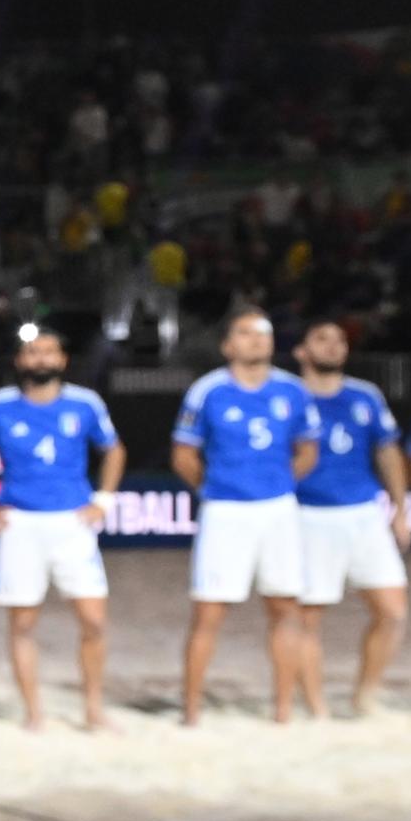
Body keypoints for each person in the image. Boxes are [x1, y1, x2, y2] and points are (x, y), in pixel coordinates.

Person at [0, 329, 122, 733]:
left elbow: (113, 449)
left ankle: (93, 710)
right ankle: (33, 713)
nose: (41, 359)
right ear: (20, 361)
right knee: (22, 623)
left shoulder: (85, 403)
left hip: (72, 522)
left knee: (94, 621)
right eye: (32, 352)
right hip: (21, 524)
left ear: (63, 360)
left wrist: (103, 500)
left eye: (49, 351)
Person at [173, 308, 319, 726]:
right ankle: (192, 709)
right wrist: (216, 488)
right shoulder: (208, 391)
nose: (256, 340)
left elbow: (308, 450)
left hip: (278, 511)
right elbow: (183, 455)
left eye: (263, 334)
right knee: (209, 611)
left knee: (285, 606)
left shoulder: (293, 391)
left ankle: (283, 708)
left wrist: (275, 483)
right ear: (227, 344)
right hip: (225, 511)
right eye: (246, 333)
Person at [288, 320, 410, 720]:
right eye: (321, 339)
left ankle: (365, 696)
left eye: (339, 340)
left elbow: (388, 453)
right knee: (307, 617)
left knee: (392, 612)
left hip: (363, 515)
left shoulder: (365, 396)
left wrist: (400, 509)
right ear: (301, 352)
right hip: (308, 516)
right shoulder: (287, 397)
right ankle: (317, 705)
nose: (334, 346)